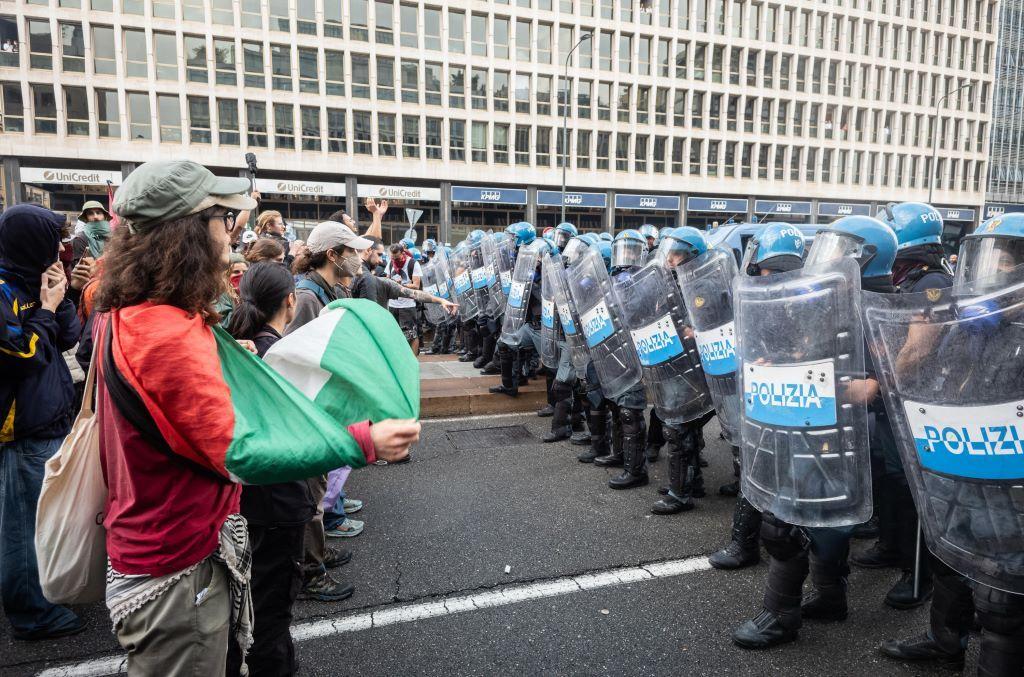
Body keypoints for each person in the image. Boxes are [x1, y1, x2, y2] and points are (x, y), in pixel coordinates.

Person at [94, 160, 417, 674]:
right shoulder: (168, 333)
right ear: (188, 234)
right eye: (223, 218)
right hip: (177, 566)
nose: (232, 233)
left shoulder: (132, 313)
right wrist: (362, 440)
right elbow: (238, 452)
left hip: (159, 547)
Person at [732, 215, 897, 649]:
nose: (828, 260)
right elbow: (802, 349)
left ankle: (779, 616)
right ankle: (829, 596)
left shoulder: (882, 308)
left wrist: (865, 388)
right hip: (813, 421)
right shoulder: (828, 297)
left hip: (846, 432)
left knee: (787, 523)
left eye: (840, 252)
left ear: (865, 259)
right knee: (824, 523)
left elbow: (890, 377)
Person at [878, 213, 1024, 674]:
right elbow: (926, 382)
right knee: (952, 556)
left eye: (1000, 266)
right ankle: (945, 642)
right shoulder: (968, 326)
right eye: (981, 262)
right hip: (960, 463)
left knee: (1002, 594)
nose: (986, 277)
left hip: (1010, 480)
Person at [226, 261, 357, 674]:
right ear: (288, 300)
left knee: (243, 598)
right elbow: (309, 433)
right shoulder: (276, 356)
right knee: (272, 604)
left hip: (242, 498)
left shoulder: (236, 347)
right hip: (278, 498)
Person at [849, 202, 953, 610]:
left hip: (915, 401)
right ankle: (892, 546)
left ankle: (919, 574)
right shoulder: (904, 276)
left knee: (912, 488)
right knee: (891, 480)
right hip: (892, 400)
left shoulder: (933, 281)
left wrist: (877, 381)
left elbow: (918, 349)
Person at [0, 204, 85, 641]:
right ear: (30, 243)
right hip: (22, 431)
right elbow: (23, 353)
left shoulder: (37, 279)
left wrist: (62, 294)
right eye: (52, 239)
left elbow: (68, 337)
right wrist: (48, 308)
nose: (60, 248)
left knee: (47, 522)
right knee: (22, 529)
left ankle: (45, 595)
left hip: (52, 420)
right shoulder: (3, 290)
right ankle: (31, 613)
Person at [708, 223, 804, 570]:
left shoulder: (781, 296)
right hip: (782, 397)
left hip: (784, 398)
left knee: (761, 467)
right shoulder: (789, 291)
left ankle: (744, 544)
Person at [385, 243, 423, 353]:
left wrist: (401, 285)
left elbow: (416, 285)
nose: (394, 260)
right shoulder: (391, 263)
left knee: (411, 335)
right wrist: (391, 283)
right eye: (392, 257)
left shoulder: (412, 263)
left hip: (407, 305)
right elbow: (387, 280)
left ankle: (413, 361)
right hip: (393, 305)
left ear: (403, 253)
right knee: (394, 334)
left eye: (396, 257)